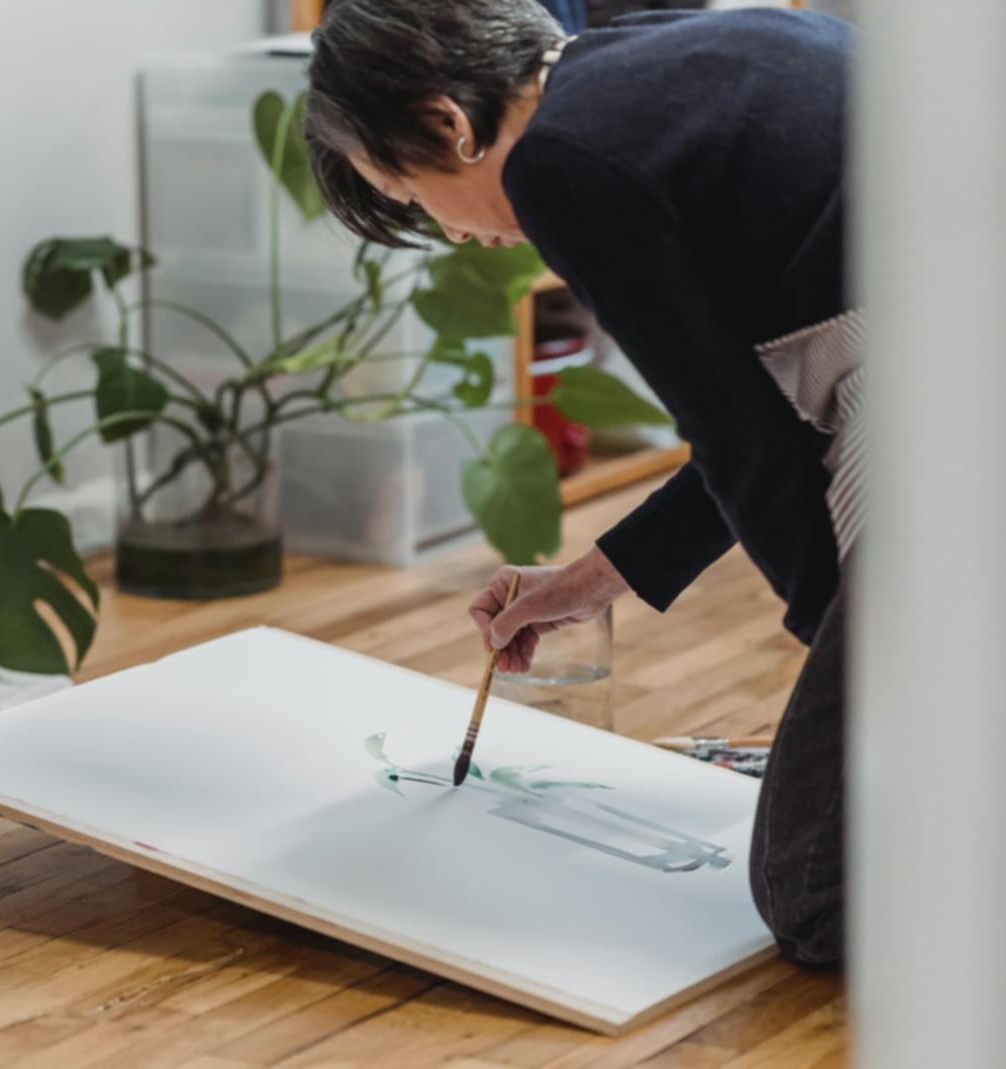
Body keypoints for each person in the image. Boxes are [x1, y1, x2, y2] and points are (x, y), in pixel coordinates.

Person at [304, 0, 857, 967]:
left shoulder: (560, 160)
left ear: (449, 125)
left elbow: (745, 442)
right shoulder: (650, 63)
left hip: (984, 437)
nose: (446, 231)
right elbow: (756, 421)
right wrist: (587, 582)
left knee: (812, 894)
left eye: (410, 192)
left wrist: (862, 675)